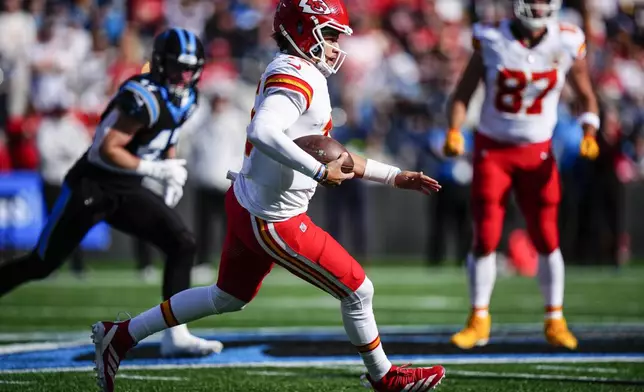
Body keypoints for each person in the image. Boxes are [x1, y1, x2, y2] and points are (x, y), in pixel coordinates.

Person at [91, 1, 445, 392]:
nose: (334, 46)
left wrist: (395, 176)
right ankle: (384, 376)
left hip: (249, 200)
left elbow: (327, 149)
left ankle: (121, 335)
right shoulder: (294, 72)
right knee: (358, 289)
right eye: (328, 35)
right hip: (275, 218)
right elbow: (264, 130)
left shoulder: (301, 70)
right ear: (301, 30)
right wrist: (315, 172)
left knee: (227, 296)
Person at [0, 28, 222, 357]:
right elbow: (106, 149)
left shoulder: (188, 98)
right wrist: (154, 170)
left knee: (182, 243)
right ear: (160, 64)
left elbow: (168, 135)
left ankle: (176, 334)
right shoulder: (141, 94)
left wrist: (171, 171)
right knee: (41, 264)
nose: (183, 76)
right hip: (93, 184)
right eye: (177, 68)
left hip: (127, 188)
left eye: (190, 70)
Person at [443, 0, 600, 350]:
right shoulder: (491, 37)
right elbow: (462, 94)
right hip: (493, 149)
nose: (539, 5)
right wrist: (454, 131)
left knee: (546, 236)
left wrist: (590, 129)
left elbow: (586, 96)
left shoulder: (567, 39)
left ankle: (555, 318)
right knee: (485, 236)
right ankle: (478, 318)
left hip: (537, 151)